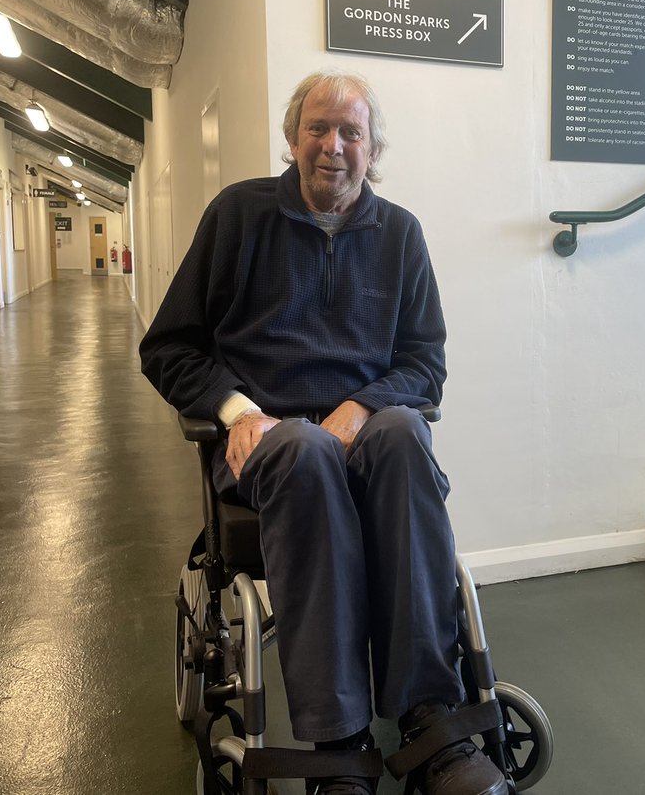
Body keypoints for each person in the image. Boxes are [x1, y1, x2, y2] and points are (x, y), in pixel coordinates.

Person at [140, 69, 506, 795]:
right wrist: (238, 412)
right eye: (317, 128)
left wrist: (364, 407)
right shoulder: (237, 217)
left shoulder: (399, 234)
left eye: (350, 132)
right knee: (304, 449)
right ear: (291, 138)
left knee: (404, 433)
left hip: (366, 439)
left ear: (373, 150)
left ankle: (429, 720)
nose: (332, 146)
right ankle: (337, 743)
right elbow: (169, 348)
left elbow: (423, 364)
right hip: (265, 444)